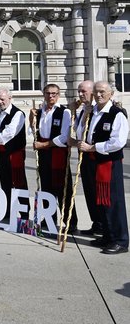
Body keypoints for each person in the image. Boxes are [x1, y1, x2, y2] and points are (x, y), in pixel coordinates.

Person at [77, 81, 129, 254]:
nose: (98, 95)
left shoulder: (116, 114)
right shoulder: (92, 112)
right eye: (96, 92)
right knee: (100, 201)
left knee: (113, 201)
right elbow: (81, 134)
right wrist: (84, 115)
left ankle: (120, 240)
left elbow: (117, 142)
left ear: (111, 94)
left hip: (109, 163)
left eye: (102, 92)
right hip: (93, 162)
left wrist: (93, 147)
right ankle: (108, 235)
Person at [30, 84, 78, 231]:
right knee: (46, 187)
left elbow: (64, 137)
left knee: (63, 188)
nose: (50, 96)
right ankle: (49, 217)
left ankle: (69, 220)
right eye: (47, 93)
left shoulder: (64, 112)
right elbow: (32, 131)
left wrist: (43, 145)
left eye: (54, 94)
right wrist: (31, 118)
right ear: (43, 94)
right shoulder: (40, 112)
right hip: (44, 155)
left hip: (57, 153)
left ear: (58, 95)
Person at [0, 89, 29, 221]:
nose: (0, 102)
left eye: (3, 99)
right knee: (5, 182)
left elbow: (9, 133)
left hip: (14, 152)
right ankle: (8, 211)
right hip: (1, 152)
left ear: (10, 98)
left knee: (19, 182)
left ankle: (24, 213)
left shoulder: (18, 114)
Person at [71, 80, 99, 235]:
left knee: (97, 192)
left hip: (96, 156)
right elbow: (78, 129)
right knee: (89, 190)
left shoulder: (99, 109)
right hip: (84, 156)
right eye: (79, 91)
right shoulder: (83, 110)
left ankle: (102, 224)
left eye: (84, 91)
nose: (81, 94)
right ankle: (96, 222)